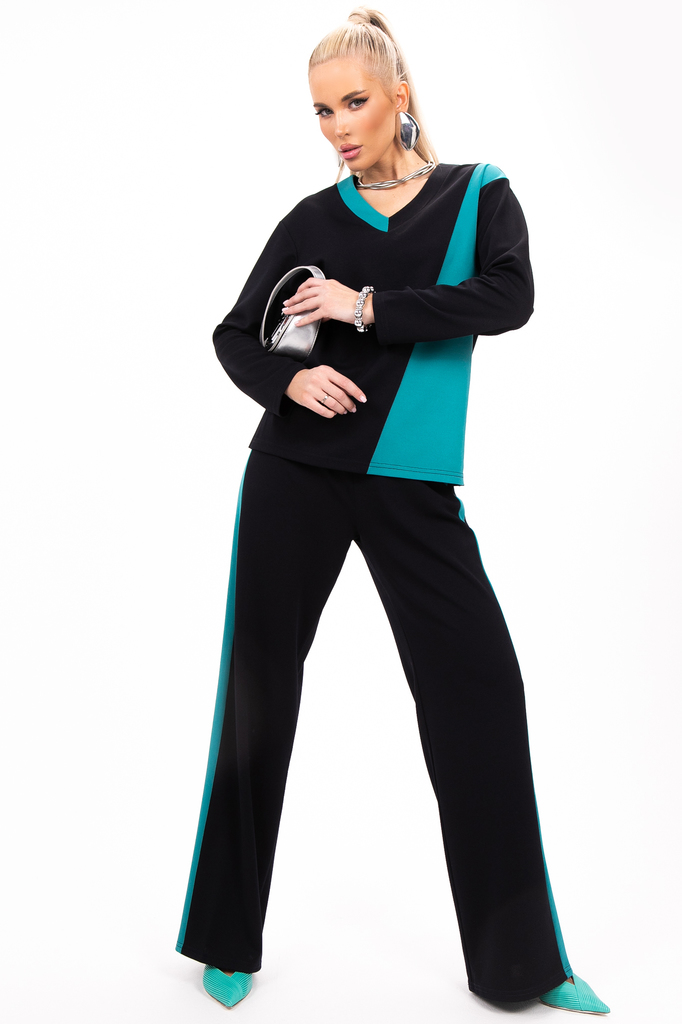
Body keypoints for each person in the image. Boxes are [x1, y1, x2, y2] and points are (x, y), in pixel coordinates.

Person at [175, 6, 610, 1016]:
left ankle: (524, 964)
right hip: (293, 473)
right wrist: (288, 383)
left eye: (354, 102)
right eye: (322, 110)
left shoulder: (476, 194)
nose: (337, 126)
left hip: (411, 480)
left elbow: (507, 298)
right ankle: (225, 938)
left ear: (398, 94)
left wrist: (364, 306)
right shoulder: (309, 219)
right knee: (257, 691)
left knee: (480, 693)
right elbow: (235, 335)